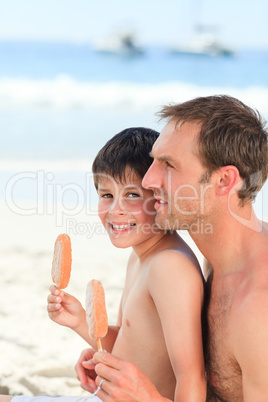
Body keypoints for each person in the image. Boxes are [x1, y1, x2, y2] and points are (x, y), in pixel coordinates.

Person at [0, 127, 206, 402]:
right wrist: (80, 323)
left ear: (160, 197)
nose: (115, 209)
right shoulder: (142, 255)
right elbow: (133, 342)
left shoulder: (169, 267)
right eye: (106, 195)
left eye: (132, 195)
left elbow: (191, 376)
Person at [91, 95, 268, 401]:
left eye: (168, 165)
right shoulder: (221, 260)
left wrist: (148, 399)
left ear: (225, 180)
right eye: (155, 160)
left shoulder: (258, 309)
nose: (149, 178)